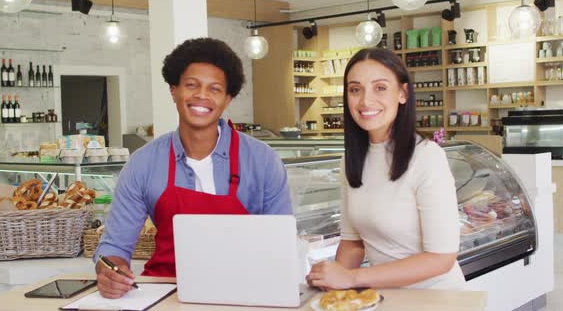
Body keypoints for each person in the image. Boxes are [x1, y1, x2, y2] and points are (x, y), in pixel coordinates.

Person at [94, 37, 293, 299]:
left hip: (245, 293)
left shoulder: (263, 161)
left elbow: (280, 247)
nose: (201, 95)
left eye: (215, 89)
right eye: (191, 85)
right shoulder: (143, 163)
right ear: (174, 90)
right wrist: (111, 271)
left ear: (227, 99)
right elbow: (114, 246)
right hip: (166, 293)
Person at [306, 47, 465, 290]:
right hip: (387, 299)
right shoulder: (351, 159)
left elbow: (441, 258)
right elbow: (353, 244)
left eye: (380, 88)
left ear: (402, 93)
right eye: (355, 89)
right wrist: (329, 284)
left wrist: (352, 278)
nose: (365, 100)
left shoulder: (426, 156)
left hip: (437, 299)